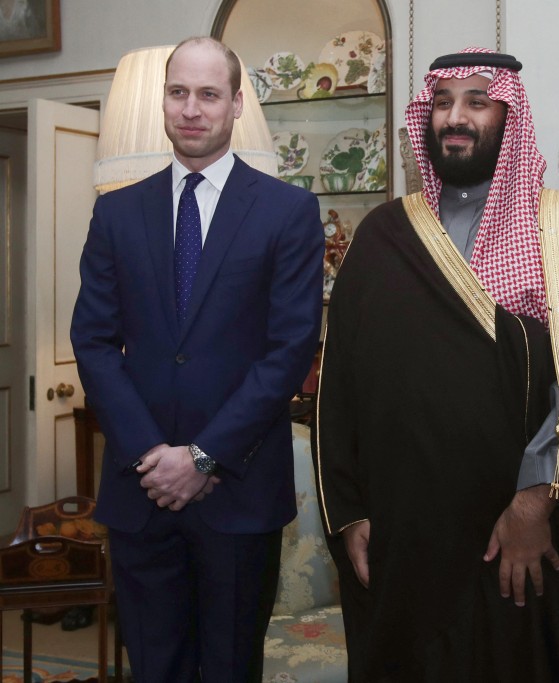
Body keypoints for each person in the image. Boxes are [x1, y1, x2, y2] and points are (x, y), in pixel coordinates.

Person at [313, 47, 559, 682]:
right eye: (444, 102)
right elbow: (340, 386)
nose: (457, 117)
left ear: (510, 117)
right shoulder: (383, 237)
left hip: (533, 543)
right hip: (412, 544)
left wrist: (534, 503)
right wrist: (349, 511)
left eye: (477, 102)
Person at [70, 36, 324, 681]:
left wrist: (205, 457)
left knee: (229, 669)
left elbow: (290, 348)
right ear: (164, 99)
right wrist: (151, 456)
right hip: (140, 489)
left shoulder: (288, 211)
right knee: (154, 668)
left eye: (208, 94)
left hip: (238, 493)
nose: (191, 109)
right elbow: (94, 341)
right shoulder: (116, 211)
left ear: (236, 104)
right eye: (178, 92)